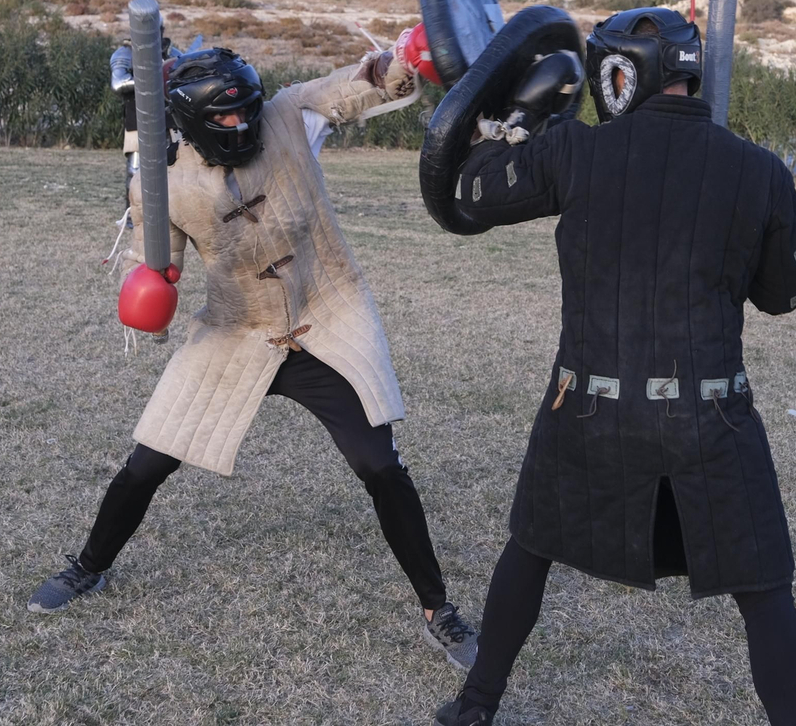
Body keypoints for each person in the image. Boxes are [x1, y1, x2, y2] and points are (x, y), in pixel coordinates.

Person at [29, 39, 480, 670]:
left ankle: (439, 609)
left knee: (380, 466)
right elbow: (155, 262)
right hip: (237, 331)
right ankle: (88, 567)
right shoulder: (162, 182)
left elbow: (361, 85)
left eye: (247, 110)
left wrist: (403, 61)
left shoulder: (290, 114)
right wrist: (147, 284)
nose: (242, 124)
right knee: (146, 463)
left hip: (325, 315)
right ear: (192, 120)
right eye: (225, 118)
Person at [430, 7, 796, 726]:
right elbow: (784, 295)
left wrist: (510, 119)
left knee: (529, 551)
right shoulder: (760, 170)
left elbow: (469, 191)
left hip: (588, 411)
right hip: (710, 415)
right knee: (764, 586)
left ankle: (476, 706)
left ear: (620, 74)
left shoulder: (577, 152)